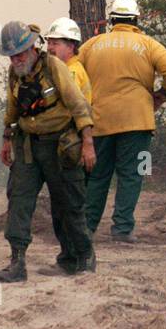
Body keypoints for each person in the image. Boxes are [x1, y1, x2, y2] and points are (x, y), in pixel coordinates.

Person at [0, 21, 96, 282]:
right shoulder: (14, 73)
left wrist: (88, 143)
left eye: (20, 53)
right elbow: (12, 108)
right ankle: (17, 263)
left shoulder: (53, 67)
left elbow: (78, 105)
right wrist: (7, 139)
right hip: (27, 144)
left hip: (60, 144)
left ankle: (84, 257)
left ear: (31, 47)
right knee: (19, 199)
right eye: (12, 55)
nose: (16, 59)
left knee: (69, 202)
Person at [78, 0, 166, 243]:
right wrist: (162, 92)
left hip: (100, 120)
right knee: (131, 174)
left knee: (97, 175)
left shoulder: (92, 45)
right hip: (137, 121)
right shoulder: (147, 44)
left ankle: (87, 227)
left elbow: (73, 71)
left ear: (111, 20)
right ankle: (122, 229)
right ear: (136, 19)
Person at [42, 17, 97, 273]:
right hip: (61, 147)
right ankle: (69, 259)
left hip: (69, 147)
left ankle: (82, 259)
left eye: (56, 43)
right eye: (49, 42)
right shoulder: (61, 70)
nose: (50, 47)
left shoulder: (71, 72)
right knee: (62, 206)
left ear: (71, 46)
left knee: (71, 207)